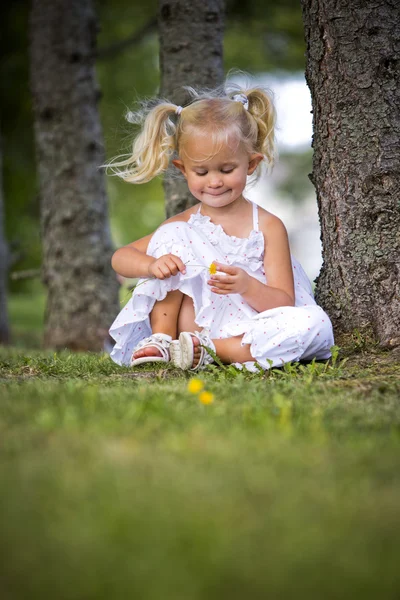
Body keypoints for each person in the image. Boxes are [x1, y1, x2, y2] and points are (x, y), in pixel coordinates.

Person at [108, 82, 334, 371]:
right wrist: (152, 265)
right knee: (172, 235)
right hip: (192, 328)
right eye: (201, 172)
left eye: (227, 170)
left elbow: (284, 303)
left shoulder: (267, 226)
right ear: (182, 169)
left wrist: (247, 285)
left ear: (251, 164)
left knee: (315, 325)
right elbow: (120, 258)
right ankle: (162, 340)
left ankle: (214, 351)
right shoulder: (182, 227)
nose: (214, 182)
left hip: (253, 331)